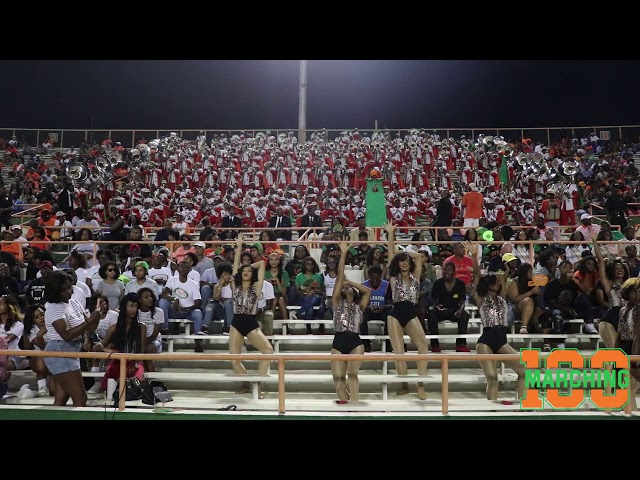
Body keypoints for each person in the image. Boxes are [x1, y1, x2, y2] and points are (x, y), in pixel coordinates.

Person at [469, 244, 525, 401]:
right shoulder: (481, 299)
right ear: (487, 284)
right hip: (486, 340)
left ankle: (524, 407)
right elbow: (477, 275)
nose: (497, 283)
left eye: (497, 281)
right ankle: (491, 411)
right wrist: (474, 256)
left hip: (501, 339)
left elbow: (504, 278)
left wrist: (505, 272)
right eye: (493, 281)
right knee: (492, 378)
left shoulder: (502, 297)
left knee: (523, 371)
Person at [42, 271, 101, 407]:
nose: (69, 291)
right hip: (60, 350)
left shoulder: (74, 303)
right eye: (65, 290)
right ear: (56, 291)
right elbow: (66, 335)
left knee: (61, 398)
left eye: (70, 287)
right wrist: (89, 321)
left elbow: (88, 328)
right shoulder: (53, 308)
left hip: (72, 349)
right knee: (80, 397)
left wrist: (95, 317)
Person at [384, 221, 428, 400]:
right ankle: (404, 385)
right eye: (401, 261)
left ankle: (420, 384)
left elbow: (418, 257)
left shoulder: (415, 276)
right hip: (396, 313)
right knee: (399, 352)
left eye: (406, 261)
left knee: (423, 345)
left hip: (411, 311)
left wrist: (405, 253)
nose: (404, 262)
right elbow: (391, 255)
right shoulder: (393, 276)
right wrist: (391, 236)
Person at [229, 236, 273, 397]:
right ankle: (248, 385)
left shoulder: (257, 286)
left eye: (249, 271)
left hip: (250, 321)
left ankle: (258, 385)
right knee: (234, 359)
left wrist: (247, 266)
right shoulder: (236, 285)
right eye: (244, 271)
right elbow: (235, 267)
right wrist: (239, 248)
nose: (246, 272)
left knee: (268, 351)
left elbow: (261, 264)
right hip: (236, 321)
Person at [330, 241, 372, 404]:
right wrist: (343, 253)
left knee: (352, 374)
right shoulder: (336, 303)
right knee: (338, 379)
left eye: (348, 288)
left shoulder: (359, 306)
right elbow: (340, 276)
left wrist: (350, 283)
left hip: (355, 341)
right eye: (343, 287)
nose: (345, 287)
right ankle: (346, 405)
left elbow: (367, 291)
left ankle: (355, 404)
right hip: (339, 340)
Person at [93, 293, 147, 402]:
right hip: (117, 362)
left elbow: (142, 351)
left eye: (136, 306)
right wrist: (98, 346)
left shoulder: (142, 327)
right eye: (131, 306)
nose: (134, 309)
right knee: (110, 380)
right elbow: (102, 344)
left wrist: (137, 363)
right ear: (124, 307)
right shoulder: (114, 328)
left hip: (135, 362)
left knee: (132, 381)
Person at [594, 235, 628, 349]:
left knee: (625, 355)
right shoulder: (609, 283)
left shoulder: (630, 284)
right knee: (616, 353)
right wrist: (594, 241)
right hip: (611, 316)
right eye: (617, 268)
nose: (620, 270)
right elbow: (600, 261)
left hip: (627, 318)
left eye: (622, 268)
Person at [21, 304, 53, 397]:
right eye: (37, 317)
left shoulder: (54, 324)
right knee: (40, 356)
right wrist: (41, 333)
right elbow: (43, 346)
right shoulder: (32, 330)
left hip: (55, 356)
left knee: (54, 392)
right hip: (39, 359)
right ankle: (42, 387)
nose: (41, 318)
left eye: (42, 314)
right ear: (33, 320)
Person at [137, 287, 164, 373]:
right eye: (146, 297)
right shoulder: (136, 312)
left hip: (154, 342)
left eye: (151, 296)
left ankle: (151, 379)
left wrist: (142, 345)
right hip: (139, 341)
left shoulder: (158, 312)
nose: (150, 299)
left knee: (147, 351)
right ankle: (152, 381)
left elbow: (153, 336)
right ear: (140, 300)